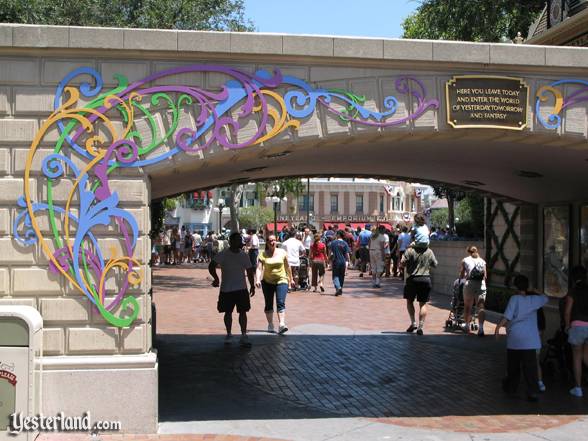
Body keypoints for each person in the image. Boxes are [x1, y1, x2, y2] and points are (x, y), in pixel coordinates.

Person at [495, 274, 548, 402]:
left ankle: (511, 388)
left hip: (515, 339)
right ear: (527, 286)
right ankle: (532, 392)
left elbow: (507, 316)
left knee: (513, 366)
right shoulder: (534, 300)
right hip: (530, 340)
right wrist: (534, 290)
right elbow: (545, 298)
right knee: (530, 367)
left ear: (516, 286)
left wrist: (497, 328)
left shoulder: (515, 299)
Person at [209, 232, 256, 348]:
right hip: (227, 289)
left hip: (241, 288)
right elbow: (211, 265)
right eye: (237, 240)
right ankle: (229, 334)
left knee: (243, 312)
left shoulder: (243, 255)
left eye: (240, 240)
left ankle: (244, 335)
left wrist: (252, 285)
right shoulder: (223, 254)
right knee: (227, 312)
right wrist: (216, 279)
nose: (239, 242)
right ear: (231, 241)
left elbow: (249, 271)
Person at [256, 234, 294, 334]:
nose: (272, 243)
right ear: (267, 243)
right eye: (270, 241)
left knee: (280, 302)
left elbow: (287, 266)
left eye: (274, 241)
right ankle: (270, 324)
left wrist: (291, 279)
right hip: (267, 282)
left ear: (276, 241)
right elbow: (259, 268)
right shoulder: (262, 254)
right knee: (268, 303)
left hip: (281, 280)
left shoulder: (282, 252)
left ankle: (281, 324)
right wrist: (258, 280)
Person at [400, 244, 438, 335]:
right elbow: (435, 264)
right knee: (423, 303)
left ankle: (413, 323)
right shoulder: (429, 251)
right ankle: (420, 327)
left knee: (410, 301)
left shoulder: (410, 251)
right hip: (425, 279)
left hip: (412, 279)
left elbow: (402, 263)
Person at [564, 265, 588, 398]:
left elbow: (567, 312)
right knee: (586, 356)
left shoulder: (572, 291)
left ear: (573, 277)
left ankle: (578, 388)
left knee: (577, 357)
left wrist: (567, 326)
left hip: (577, 326)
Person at [460, 246, 487, 336]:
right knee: (481, 307)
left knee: (468, 306)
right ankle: (481, 329)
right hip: (481, 284)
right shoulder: (482, 261)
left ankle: (467, 326)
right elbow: (485, 276)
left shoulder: (465, 260)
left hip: (470, 284)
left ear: (468, 252)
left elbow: (462, 274)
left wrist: (463, 278)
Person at [329, 230, 351, 296]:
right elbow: (347, 254)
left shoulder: (333, 243)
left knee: (335, 276)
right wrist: (349, 261)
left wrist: (328, 259)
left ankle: (338, 287)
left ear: (338, 235)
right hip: (343, 262)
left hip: (336, 261)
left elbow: (330, 252)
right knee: (341, 276)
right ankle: (340, 289)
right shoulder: (345, 243)